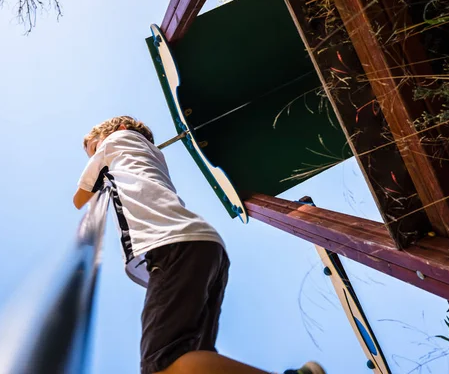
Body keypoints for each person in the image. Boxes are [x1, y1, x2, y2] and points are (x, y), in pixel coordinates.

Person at [73, 116, 326, 374]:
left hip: (174, 246)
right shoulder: (149, 155)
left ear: (120, 129)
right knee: (191, 358)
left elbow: (80, 198)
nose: (94, 155)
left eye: (94, 148)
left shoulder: (118, 140)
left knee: (163, 362)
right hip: (199, 245)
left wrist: (98, 165)